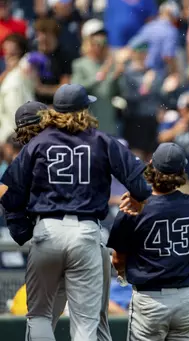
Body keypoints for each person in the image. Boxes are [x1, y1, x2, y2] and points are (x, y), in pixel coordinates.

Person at [0, 84, 151, 341]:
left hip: (46, 232)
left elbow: (9, 196)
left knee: (38, 317)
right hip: (86, 233)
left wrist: (24, 231)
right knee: (85, 324)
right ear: (85, 109)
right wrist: (137, 199)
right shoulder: (101, 140)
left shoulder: (37, 143)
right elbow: (141, 185)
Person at [1, 100, 113, 341]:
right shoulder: (79, 145)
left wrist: (27, 231)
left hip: (47, 240)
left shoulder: (23, 160)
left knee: (41, 316)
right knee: (93, 321)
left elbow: (8, 201)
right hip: (88, 238)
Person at [107, 142, 189, 341]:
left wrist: (123, 275)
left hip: (149, 300)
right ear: (181, 171)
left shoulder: (133, 208)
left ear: (151, 166)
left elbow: (118, 260)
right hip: (185, 299)